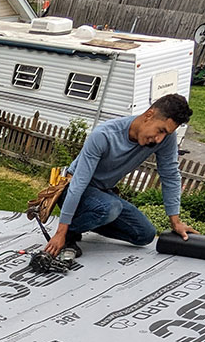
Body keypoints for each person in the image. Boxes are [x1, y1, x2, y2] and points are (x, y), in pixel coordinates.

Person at [45, 93, 196, 257]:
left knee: (145, 234)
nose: (159, 139)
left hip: (103, 194)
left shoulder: (165, 138)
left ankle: (88, 219)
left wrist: (176, 222)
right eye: (160, 130)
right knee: (110, 208)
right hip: (72, 188)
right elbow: (78, 184)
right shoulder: (104, 135)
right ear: (149, 115)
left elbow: (170, 176)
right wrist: (61, 231)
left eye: (166, 134)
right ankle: (69, 234)